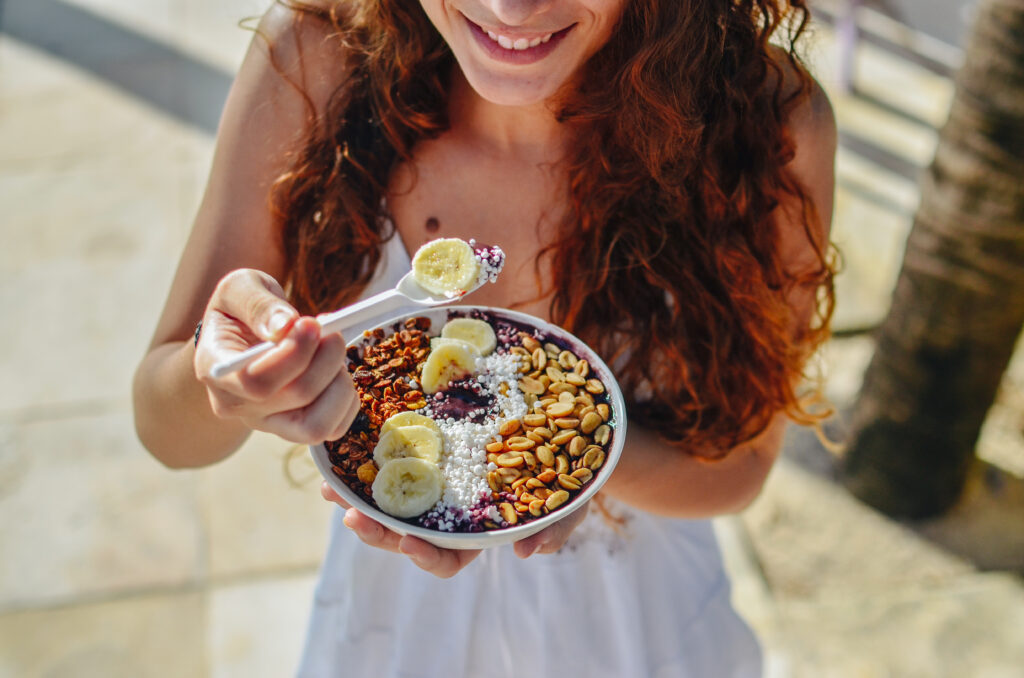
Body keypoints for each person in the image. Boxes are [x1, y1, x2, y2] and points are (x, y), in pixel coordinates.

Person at [133, 0, 837, 675]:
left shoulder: (763, 121)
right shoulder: (319, 56)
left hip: (633, 622)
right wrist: (224, 378)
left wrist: (572, 464)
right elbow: (166, 432)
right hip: (399, 626)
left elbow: (741, 468)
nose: (510, 9)